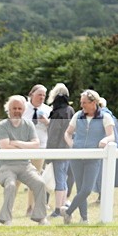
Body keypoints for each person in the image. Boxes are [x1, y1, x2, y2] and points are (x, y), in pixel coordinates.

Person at [0, 95, 49, 226]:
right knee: (11, 185)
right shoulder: (2, 125)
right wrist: (25, 144)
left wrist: (16, 142)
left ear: (24, 110)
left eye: (19, 108)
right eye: (14, 108)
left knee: (40, 183)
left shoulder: (29, 125)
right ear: (8, 109)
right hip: (6, 166)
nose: (17, 111)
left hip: (25, 165)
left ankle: (40, 217)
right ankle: (6, 218)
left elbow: (36, 144)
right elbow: (5, 147)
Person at [63, 90, 115, 224]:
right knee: (80, 188)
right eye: (81, 103)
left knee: (87, 189)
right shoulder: (77, 116)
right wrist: (72, 144)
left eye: (84, 103)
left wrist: (105, 140)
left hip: (93, 158)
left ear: (93, 103)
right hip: (77, 157)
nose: (82, 106)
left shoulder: (105, 117)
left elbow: (112, 136)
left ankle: (67, 211)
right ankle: (84, 219)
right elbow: (67, 133)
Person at [45, 83, 75, 218]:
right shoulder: (70, 110)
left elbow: (53, 135)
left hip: (58, 150)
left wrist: (48, 154)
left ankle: (58, 209)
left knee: (59, 180)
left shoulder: (57, 113)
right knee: (63, 178)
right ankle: (63, 205)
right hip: (68, 149)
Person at [21, 85, 51, 216]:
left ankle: (30, 207)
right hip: (23, 146)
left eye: (44, 95)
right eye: (39, 94)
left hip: (40, 147)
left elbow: (53, 129)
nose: (42, 98)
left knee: (35, 177)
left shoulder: (48, 110)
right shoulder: (22, 107)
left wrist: (46, 122)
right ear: (31, 94)